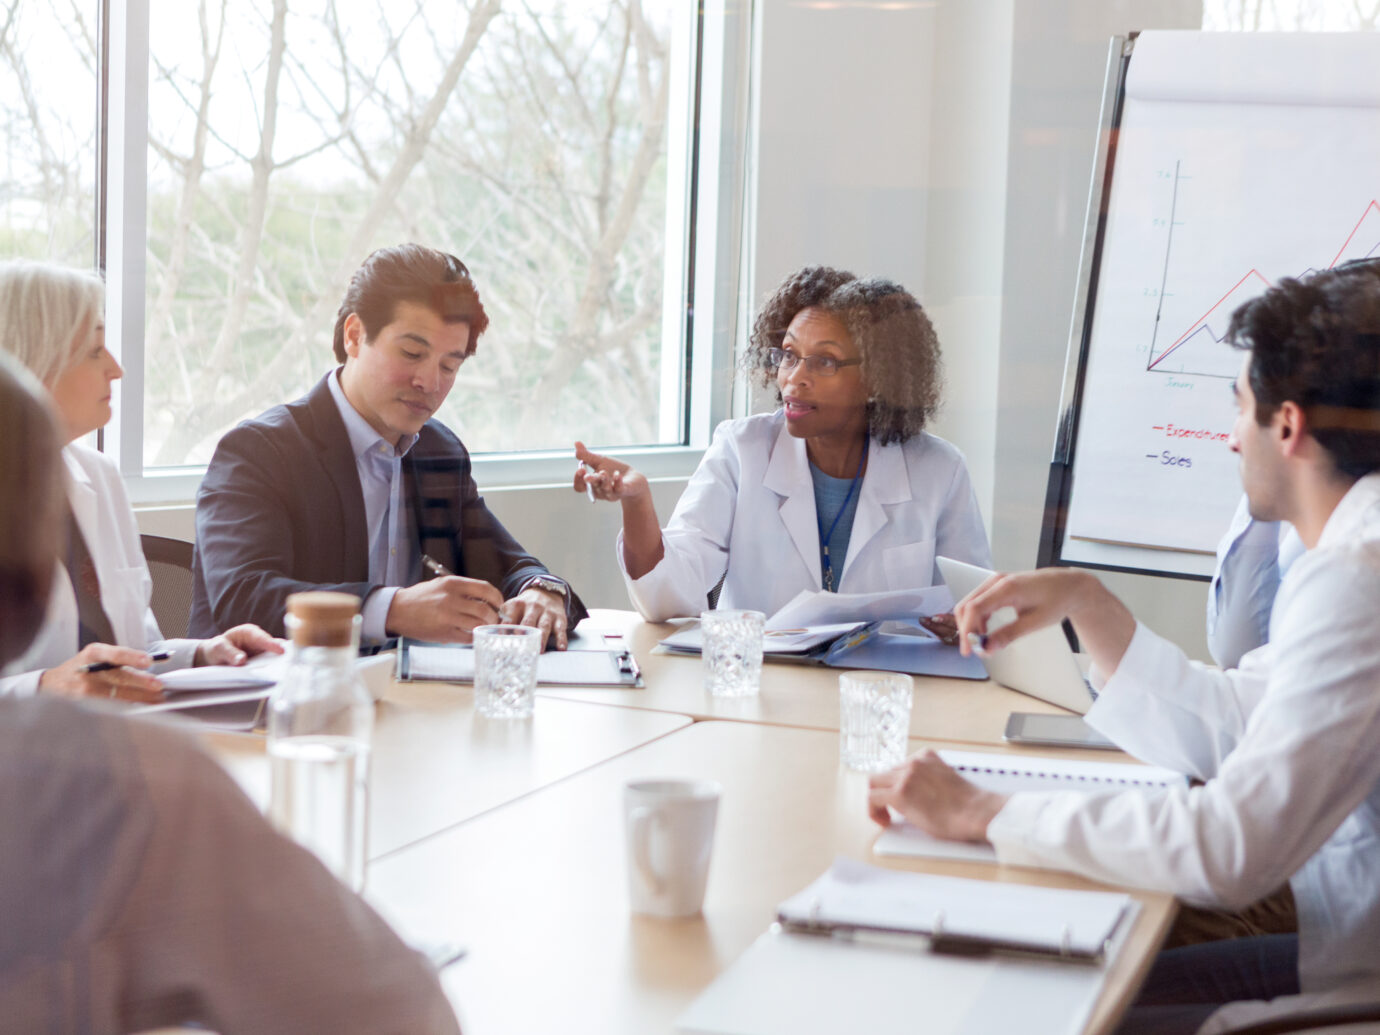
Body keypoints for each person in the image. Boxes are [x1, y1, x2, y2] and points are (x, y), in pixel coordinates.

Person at [867, 262, 1380, 1032]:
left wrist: (985, 810)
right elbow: (1250, 719)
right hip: (1345, 933)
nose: (1227, 435)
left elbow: (1230, 848)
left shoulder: (1354, 573)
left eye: (1238, 408)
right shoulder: (1357, 549)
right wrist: (1090, 606)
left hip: (1355, 968)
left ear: (1288, 425)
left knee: (1042, 1007)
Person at [0, 353, 462, 1034]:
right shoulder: (121, 784)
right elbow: (397, 1014)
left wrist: (194, 652)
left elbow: (131, 642)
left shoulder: (437, 451)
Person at [190, 243, 587, 648]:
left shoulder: (439, 453)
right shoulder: (261, 450)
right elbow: (243, 598)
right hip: (276, 699)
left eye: (449, 366)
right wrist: (393, 609)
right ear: (355, 335)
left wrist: (542, 592)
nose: (429, 383)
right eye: (412, 353)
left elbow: (509, 565)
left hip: (406, 700)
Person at [575, 266, 991, 621]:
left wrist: (963, 624)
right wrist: (637, 502)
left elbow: (975, 609)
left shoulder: (939, 470)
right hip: (761, 690)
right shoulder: (741, 450)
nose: (795, 377)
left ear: (877, 378)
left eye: (824, 361)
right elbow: (666, 597)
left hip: (880, 690)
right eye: (789, 355)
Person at [0, 260, 280, 701]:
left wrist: (202, 655)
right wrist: (44, 687)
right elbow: (59, 681)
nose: (116, 369)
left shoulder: (100, 477)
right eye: (95, 351)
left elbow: (132, 650)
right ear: (34, 360)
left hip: (111, 740)